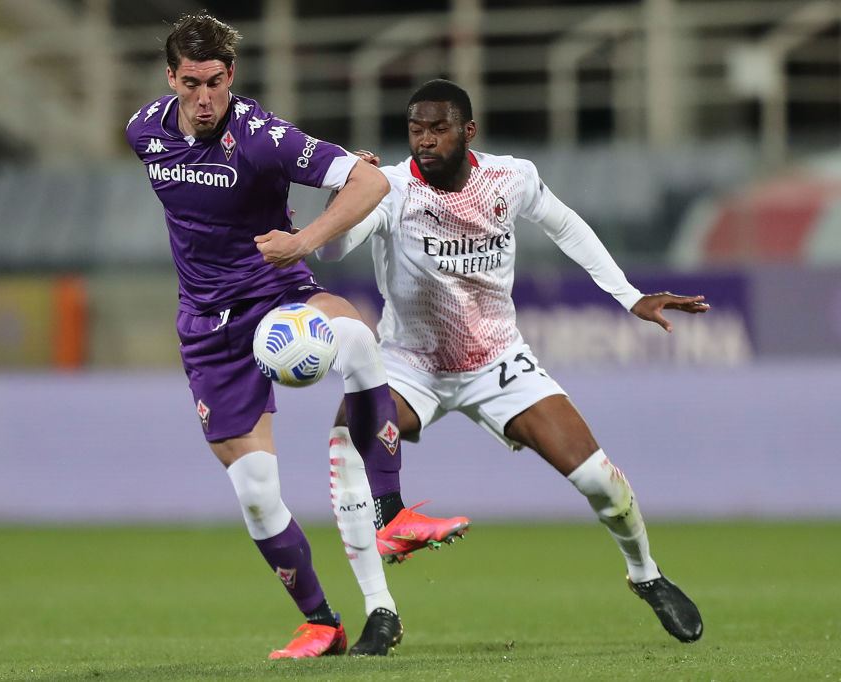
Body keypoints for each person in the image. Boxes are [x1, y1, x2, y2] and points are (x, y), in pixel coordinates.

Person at [310, 79, 709, 643]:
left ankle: (646, 574)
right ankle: (382, 610)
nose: (424, 140)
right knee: (348, 439)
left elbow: (565, 225)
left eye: (438, 127)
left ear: (468, 130)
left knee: (601, 482)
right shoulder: (391, 190)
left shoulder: (509, 177)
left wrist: (630, 295)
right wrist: (343, 197)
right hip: (410, 364)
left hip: (497, 360)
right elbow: (330, 250)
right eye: (415, 128)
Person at [125, 14, 462, 658]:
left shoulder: (259, 137)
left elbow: (369, 181)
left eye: (216, 83)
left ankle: (390, 512)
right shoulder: (145, 132)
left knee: (360, 340)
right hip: (207, 328)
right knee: (254, 494)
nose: (204, 98)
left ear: (233, 77)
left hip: (279, 295)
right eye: (191, 83)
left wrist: (303, 241)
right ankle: (323, 623)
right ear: (170, 78)